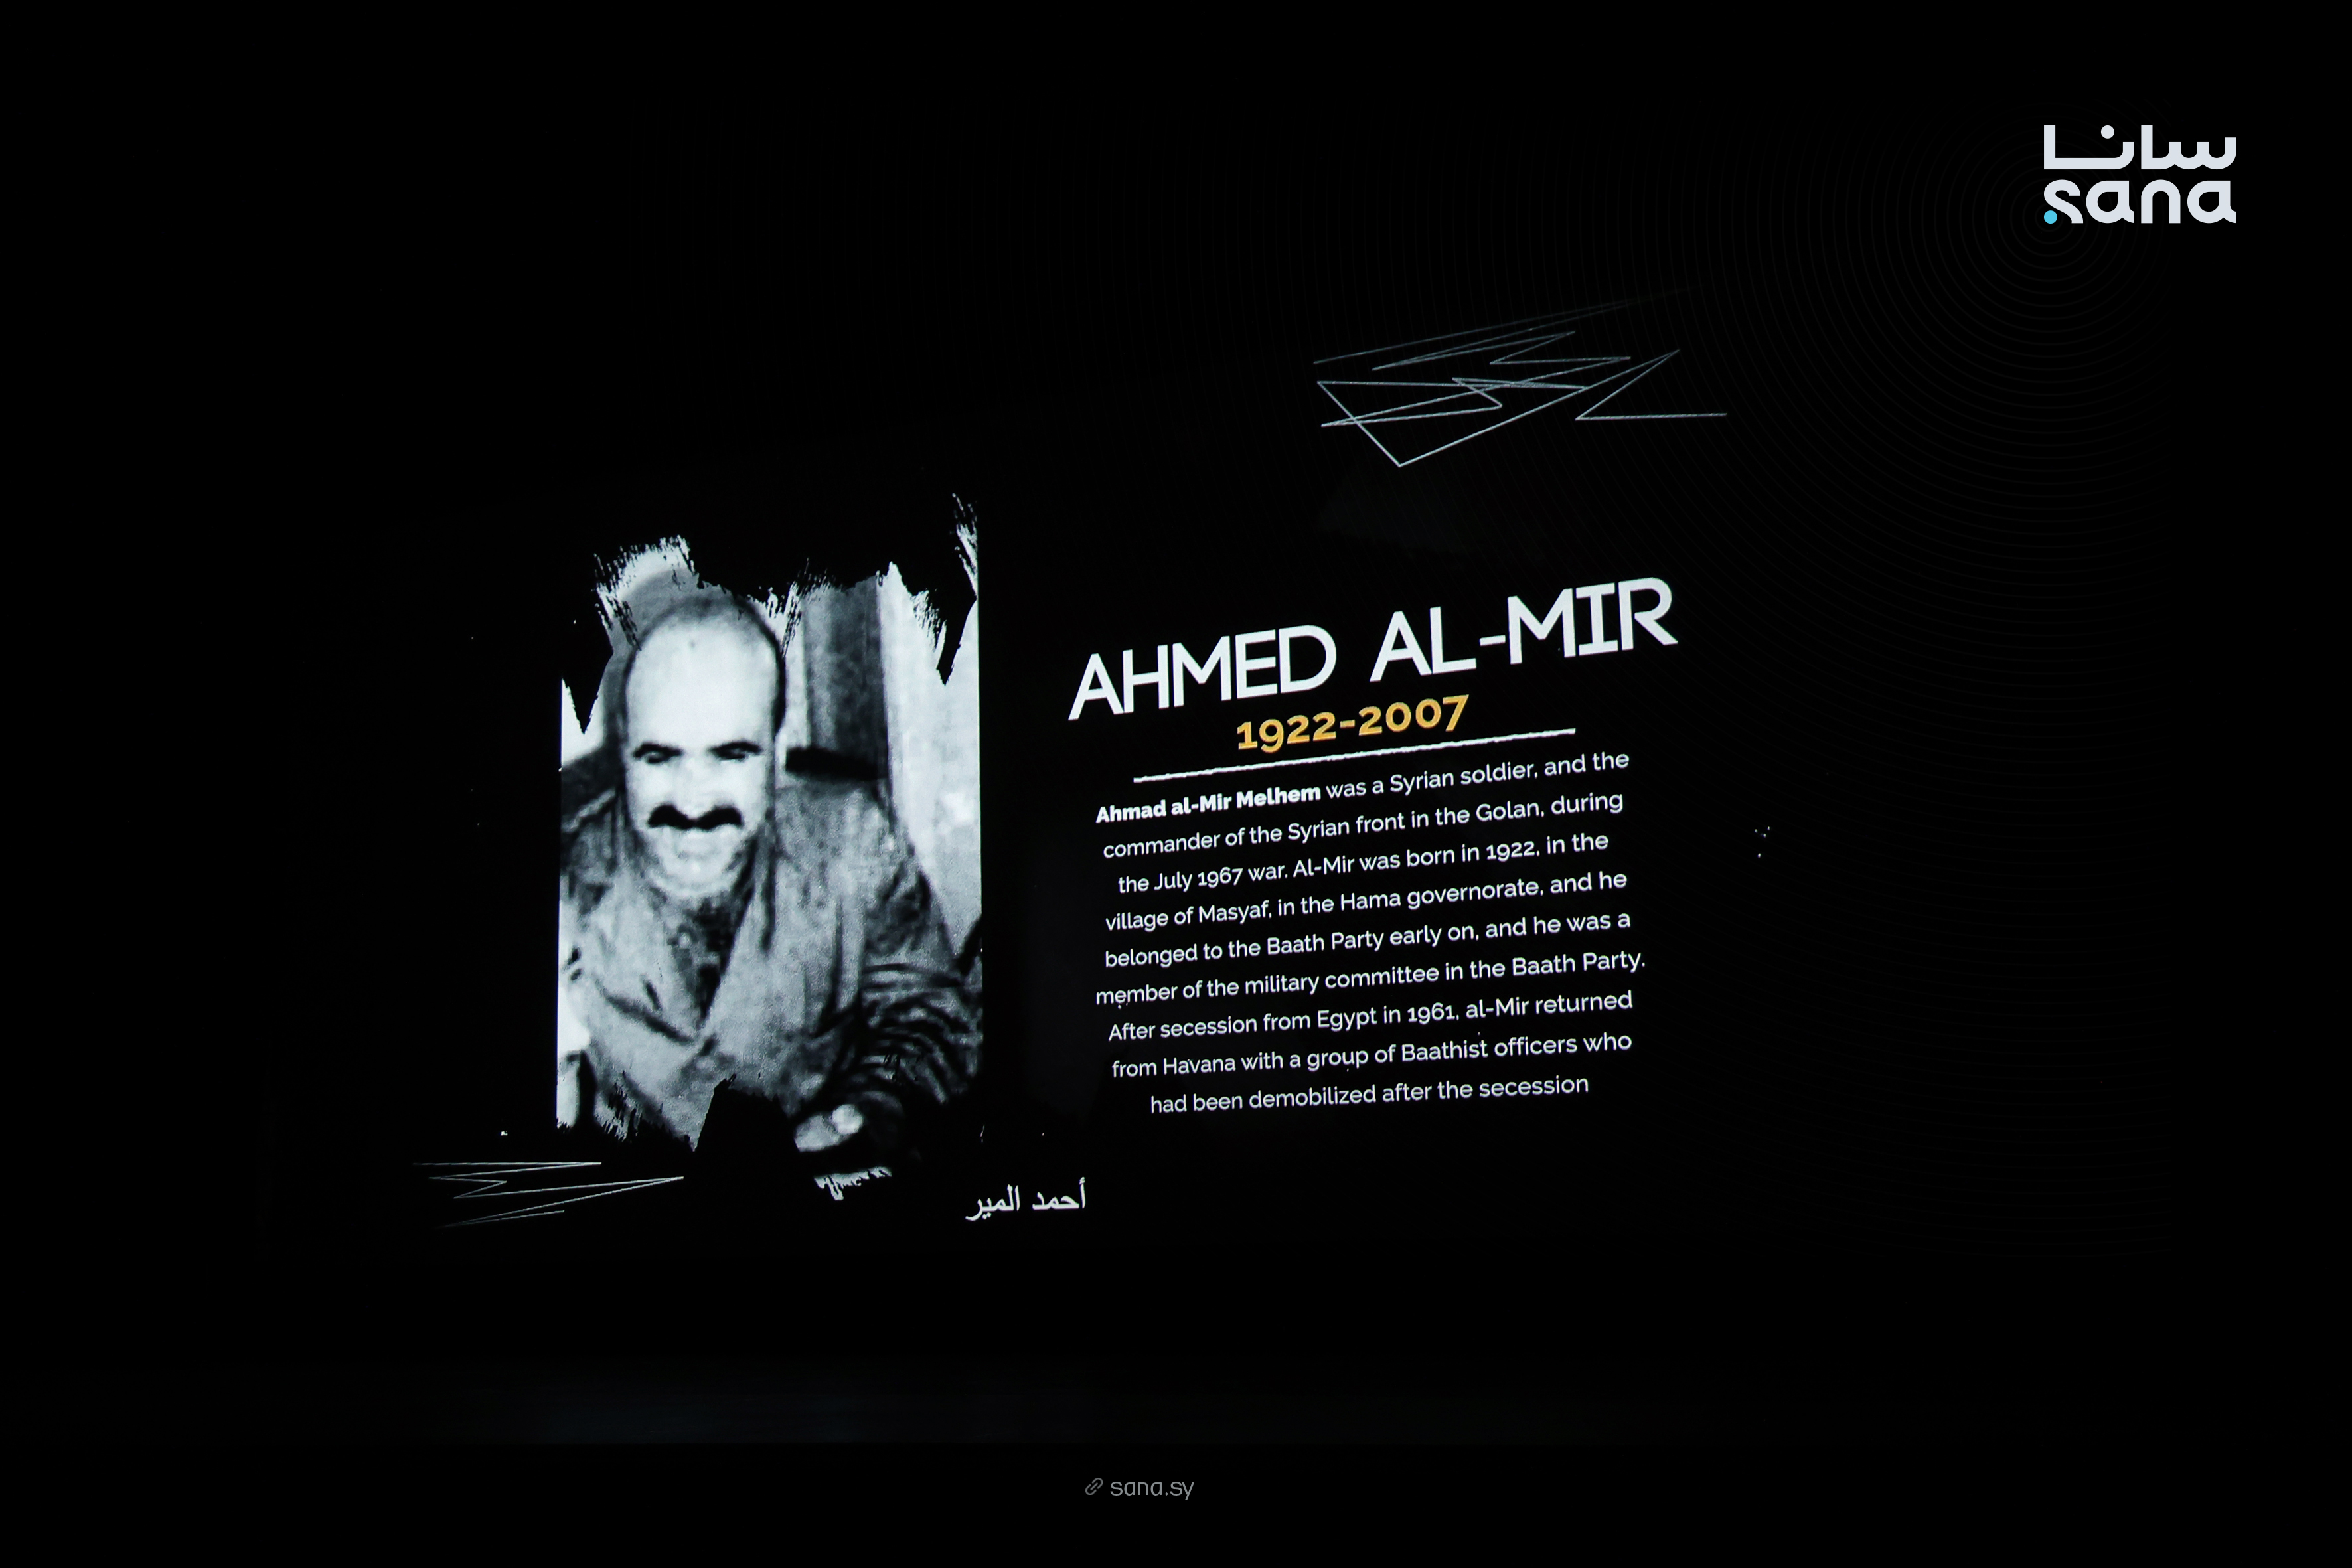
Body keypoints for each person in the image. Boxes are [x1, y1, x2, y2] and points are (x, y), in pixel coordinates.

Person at [557, 591, 979, 1160]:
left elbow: (928, 1021)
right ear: (622, 746)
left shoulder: (853, 840)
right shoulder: (561, 886)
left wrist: (868, 1109)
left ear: (776, 753)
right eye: (659, 758)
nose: (693, 802)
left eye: (730, 756)